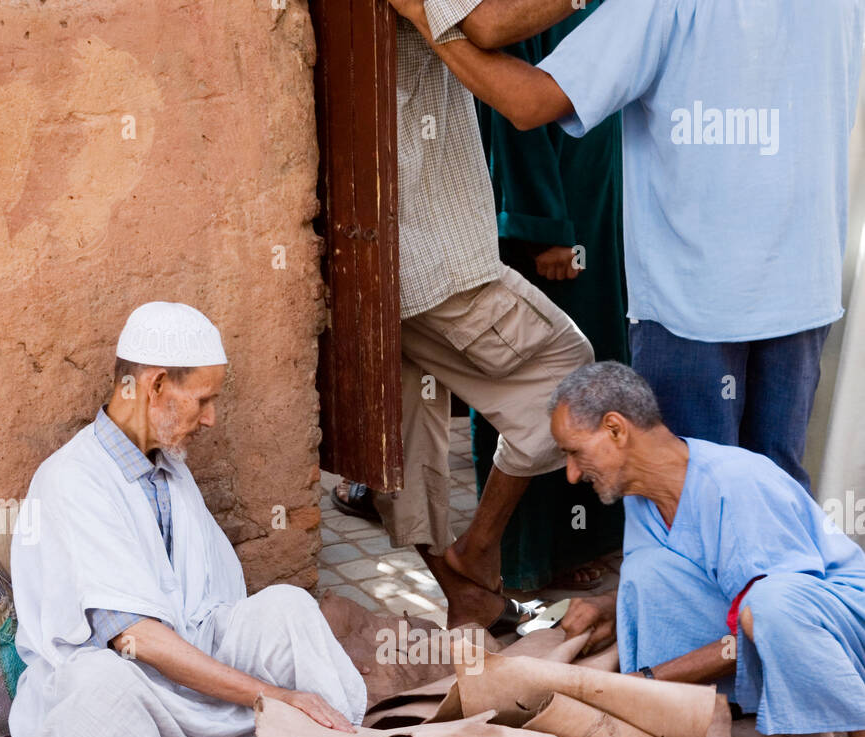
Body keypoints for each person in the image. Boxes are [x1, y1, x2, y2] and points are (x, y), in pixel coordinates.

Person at [390, 0, 865, 491]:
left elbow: (529, 102)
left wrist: (426, 18)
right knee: (777, 488)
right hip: (805, 281)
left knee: (684, 494)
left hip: (696, 302)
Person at [9, 302, 367, 737]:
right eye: (204, 399)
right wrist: (270, 696)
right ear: (154, 386)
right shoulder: (71, 481)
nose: (211, 419)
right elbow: (138, 641)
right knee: (100, 683)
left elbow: (200, 602)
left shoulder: (167, 465)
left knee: (287, 606)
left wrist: (261, 685)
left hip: (188, 650)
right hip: (123, 685)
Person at [339, 0, 597, 634]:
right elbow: (487, 24)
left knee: (404, 436)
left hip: (370, 246)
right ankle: (478, 550)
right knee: (572, 375)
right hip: (431, 250)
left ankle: (464, 594)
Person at [548, 361, 865, 737]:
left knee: (770, 607)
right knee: (646, 572)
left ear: (615, 429)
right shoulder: (643, 497)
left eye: (575, 453)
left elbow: (760, 622)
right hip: (765, 617)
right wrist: (607, 603)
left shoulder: (735, 483)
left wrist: (645, 681)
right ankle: (708, 712)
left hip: (839, 623)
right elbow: (695, 566)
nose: (572, 475)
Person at [471, 0, 628, 593]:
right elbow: (511, 102)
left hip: (597, 200)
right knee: (537, 381)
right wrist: (544, 225)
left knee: (597, 370)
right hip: (553, 215)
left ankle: (579, 539)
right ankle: (523, 555)